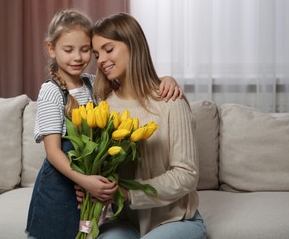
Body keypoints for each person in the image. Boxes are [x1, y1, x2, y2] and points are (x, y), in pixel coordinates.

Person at [25, 9, 182, 239]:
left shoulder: (94, 84)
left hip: (89, 185)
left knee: (87, 233)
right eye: (68, 50)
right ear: (51, 49)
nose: (77, 57)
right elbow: (52, 152)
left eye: (85, 49)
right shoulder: (51, 92)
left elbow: (136, 82)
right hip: (61, 187)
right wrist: (85, 181)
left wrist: (166, 79)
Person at [89, 12, 207, 239]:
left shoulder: (170, 101)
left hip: (177, 220)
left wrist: (127, 193)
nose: (101, 59)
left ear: (132, 45)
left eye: (108, 49)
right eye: (97, 54)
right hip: (126, 221)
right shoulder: (104, 107)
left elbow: (187, 174)